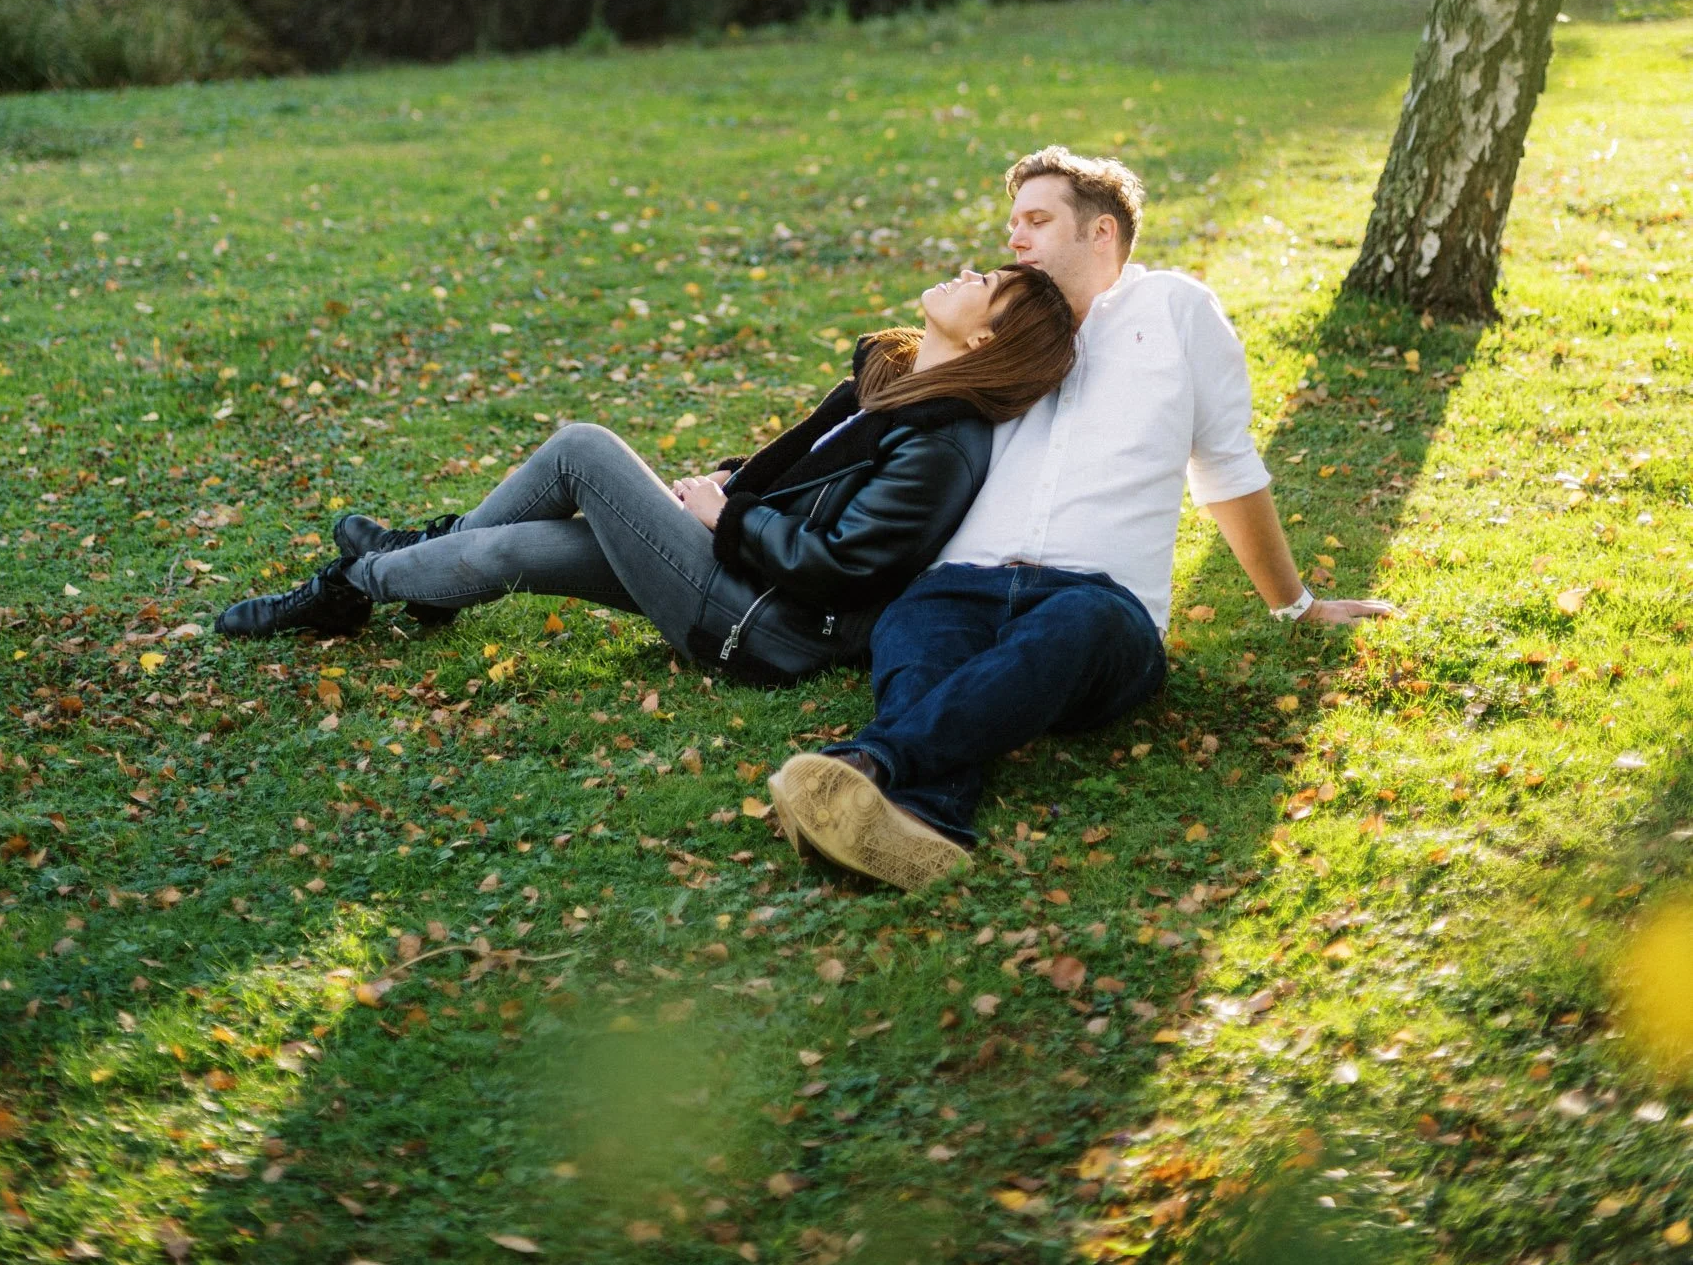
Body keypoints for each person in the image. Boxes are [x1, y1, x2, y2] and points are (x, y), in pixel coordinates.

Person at [766, 148, 1396, 888]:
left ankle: (867, 763)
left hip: (1098, 608)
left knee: (1075, 627)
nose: (1015, 239)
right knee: (919, 638)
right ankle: (918, 828)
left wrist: (1295, 604)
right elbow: (909, 434)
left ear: (1101, 232)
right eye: (1011, 224)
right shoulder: (993, 326)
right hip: (956, 588)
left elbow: (1225, 468)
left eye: (1036, 220)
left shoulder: (1174, 310)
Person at [214, 261, 1077, 692]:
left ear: (986, 343)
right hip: (735, 572)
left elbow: (846, 565)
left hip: (764, 625)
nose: (968, 271)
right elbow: (803, 477)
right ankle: (403, 580)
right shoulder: (888, 381)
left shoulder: (945, 440)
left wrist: (723, 519)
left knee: (584, 447)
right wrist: (726, 485)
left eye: (986, 284)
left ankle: (359, 577)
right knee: (512, 548)